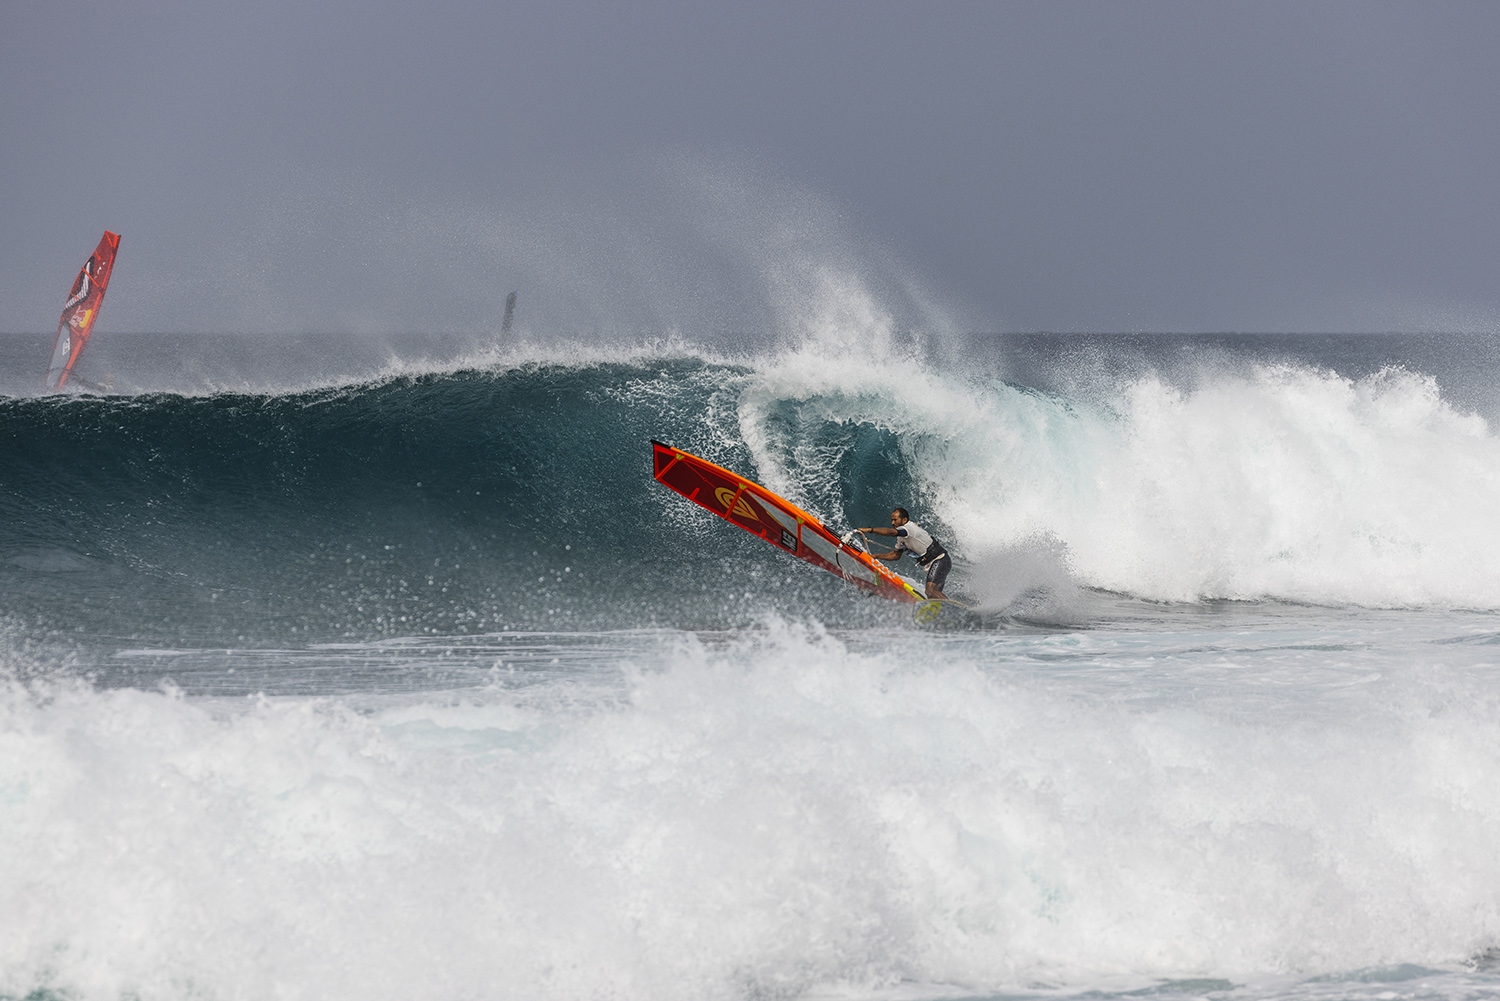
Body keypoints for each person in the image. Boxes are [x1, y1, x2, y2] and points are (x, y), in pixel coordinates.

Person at [858, 508, 951, 600]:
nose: (893, 523)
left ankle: (954, 611)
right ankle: (948, 613)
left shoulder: (909, 528)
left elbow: (891, 532)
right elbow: (896, 555)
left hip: (940, 560)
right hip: (932, 564)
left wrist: (869, 530)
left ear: (904, 520)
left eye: (895, 520)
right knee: (932, 597)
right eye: (892, 520)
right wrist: (876, 556)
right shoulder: (901, 537)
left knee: (930, 591)